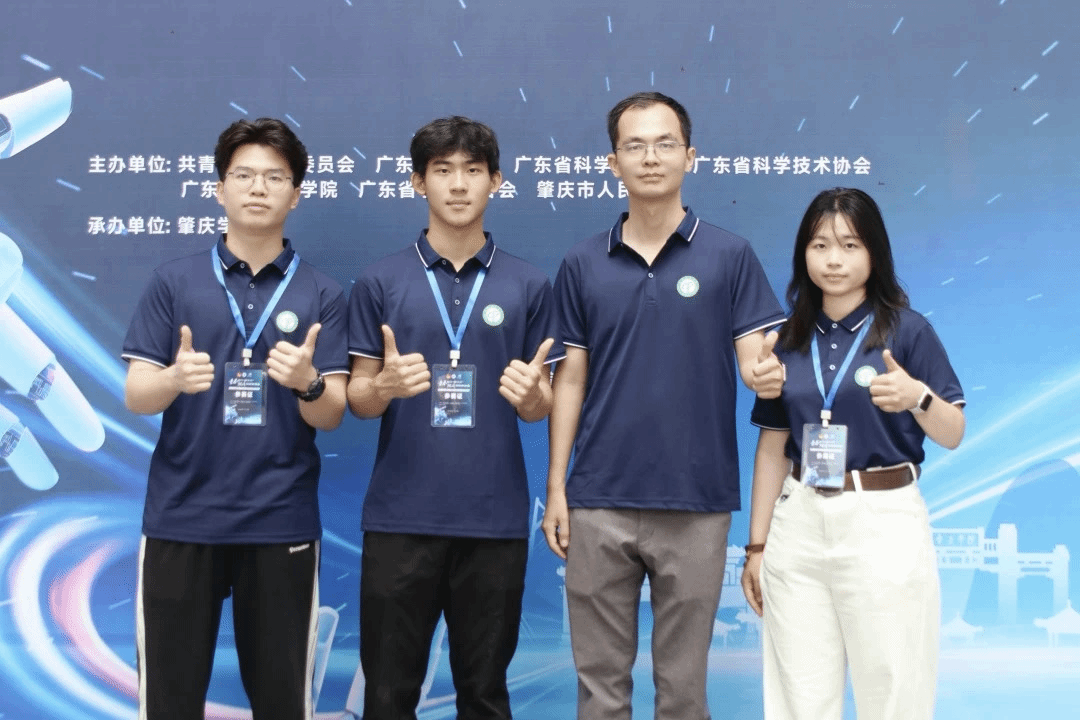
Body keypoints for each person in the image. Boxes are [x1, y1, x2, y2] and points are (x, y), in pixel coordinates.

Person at [542, 91, 787, 720]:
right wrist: (558, 486)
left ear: (690, 155)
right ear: (613, 162)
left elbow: (754, 359)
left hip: (696, 500)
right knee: (600, 691)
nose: (650, 158)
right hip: (599, 498)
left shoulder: (729, 255)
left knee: (683, 692)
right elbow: (569, 380)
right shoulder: (581, 262)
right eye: (635, 145)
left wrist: (765, 374)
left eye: (664, 143)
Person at [122, 118, 349, 719]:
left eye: (274, 177)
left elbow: (331, 414)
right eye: (243, 175)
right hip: (181, 518)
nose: (257, 188)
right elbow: (137, 394)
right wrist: (173, 379)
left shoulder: (322, 293)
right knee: (168, 703)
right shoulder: (174, 282)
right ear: (219, 189)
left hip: (279, 520)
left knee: (282, 703)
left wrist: (309, 382)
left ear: (295, 194)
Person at [347, 115, 562, 720]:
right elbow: (358, 398)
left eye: (473, 170)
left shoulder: (529, 284)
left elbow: (540, 405)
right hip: (400, 519)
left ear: (497, 180)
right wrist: (383, 387)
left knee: (485, 696)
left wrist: (533, 397)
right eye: (442, 170)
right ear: (419, 182)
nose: (459, 184)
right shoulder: (380, 280)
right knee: (387, 696)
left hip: (493, 521)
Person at [740, 187, 966, 720]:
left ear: (874, 253)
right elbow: (772, 449)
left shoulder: (908, 331)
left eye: (849, 245)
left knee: (893, 687)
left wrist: (918, 397)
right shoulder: (786, 339)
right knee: (799, 694)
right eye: (820, 245)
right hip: (799, 521)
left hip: (881, 518)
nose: (834, 259)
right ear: (803, 254)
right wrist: (757, 546)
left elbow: (953, 431)